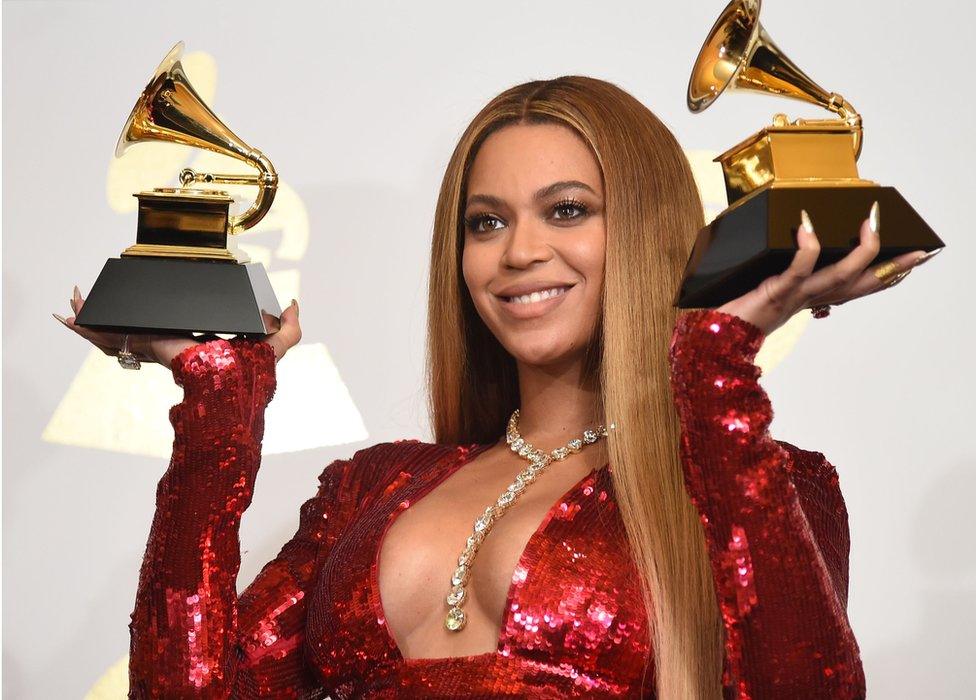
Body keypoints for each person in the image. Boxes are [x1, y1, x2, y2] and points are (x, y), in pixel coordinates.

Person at [57, 76, 939, 698]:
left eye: (567, 210)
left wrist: (714, 365)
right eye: (487, 222)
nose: (519, 252)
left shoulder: (758, 483)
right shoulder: (372, 488)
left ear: (645, 227)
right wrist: (218, 407)